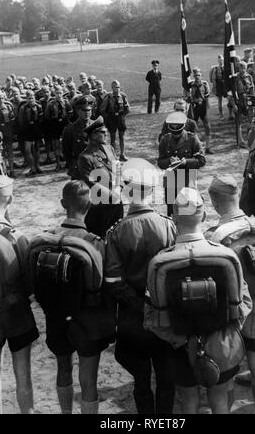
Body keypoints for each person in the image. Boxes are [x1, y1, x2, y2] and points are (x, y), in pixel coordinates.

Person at [145, 187, 251, 414]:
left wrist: (184, 342)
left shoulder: (159, 263)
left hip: (178, 350)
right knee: (220, 400)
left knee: (188, 402)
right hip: (221, 344)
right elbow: (243, 305)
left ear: (173, 218)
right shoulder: (226, 257)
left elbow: (153, 318)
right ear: (203, 216)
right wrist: (223, 334)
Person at [31, 180, 115, 414]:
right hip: (87, 319)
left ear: (62, 204)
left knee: (63, 369)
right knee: (88, 379)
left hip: (57, 315)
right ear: (89, 207)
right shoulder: (94, 243)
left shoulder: (47, 238)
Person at [207, 176, 255, 414]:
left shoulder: (216, 238)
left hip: (231, 316)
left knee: (228, 375)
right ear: (237, 194)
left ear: (214, 202)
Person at [105, 159, 177, 414]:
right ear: (152, 190)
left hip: (132, 319)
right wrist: (155, 305)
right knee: (166, 378)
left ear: (125, 190)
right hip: (165, 315)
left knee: (141, 379)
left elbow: (113, 281)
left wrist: (138, 307)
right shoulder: (168, 225)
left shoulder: (116, 232)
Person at [0, 176, 39, 414]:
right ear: (9, 199)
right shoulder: (17, 236)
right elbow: (30, 284)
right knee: (23, 374)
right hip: (18, 310)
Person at [77, 116, 124, 239]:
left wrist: (119, 188)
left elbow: (117, 168)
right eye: (102, 132)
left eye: (106, 131)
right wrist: (112, 195)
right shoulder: (85, 158)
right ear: (92, 135)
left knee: (117, 235)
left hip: (116, 202)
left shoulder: (109, 148)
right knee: (101, 237)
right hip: (100, 206)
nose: (106, 134)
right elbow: (92, 183)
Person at [158, 112, 206, 216]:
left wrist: (186, 162)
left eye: (178, 133)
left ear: (183, 127)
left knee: (188, 212)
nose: (176, 135)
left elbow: (201, 161)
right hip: (170, 180)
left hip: (187, 179)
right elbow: (160, 162)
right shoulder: (164, 140)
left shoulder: (192, 139)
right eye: (173, 133)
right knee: (171, 211)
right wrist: (168, 161)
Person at [100, 80, 130, 162]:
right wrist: (108, 117)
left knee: (121, 137)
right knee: (113, 138)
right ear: (111, 88)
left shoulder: (123, 96)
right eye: (114, 87)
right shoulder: (109, 97)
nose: (116, 89)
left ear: (120, 87)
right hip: (112, 119)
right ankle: (113, 155)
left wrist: (122, 115)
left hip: (120, 119)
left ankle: (122, 154)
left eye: (117, 87)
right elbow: (102, 109)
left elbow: (127, 108)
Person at [44, 86, 73, 171]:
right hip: (55, 126)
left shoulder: (66, 102)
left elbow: (71, 113)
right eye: (57, 93)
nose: (59, 95)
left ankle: (68, 162)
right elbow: (47, 116)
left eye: (60, 93)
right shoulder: (51, 104)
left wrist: (66, 119)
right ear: (54, 94)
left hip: (64, 125)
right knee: (56, 145)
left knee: (66, 144)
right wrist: (54, 121)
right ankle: (58, 164)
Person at [185, 68, 213, 154]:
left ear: (201, 75)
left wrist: (207, 109)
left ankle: (208, 147)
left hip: (202, 106)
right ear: (193, 75)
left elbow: (207, 97)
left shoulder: (204, 84)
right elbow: (185, 96)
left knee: (207, 126)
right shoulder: (190, 84)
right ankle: (196, 147)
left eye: (199, 75)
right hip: (194, 107)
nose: (197, 77)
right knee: (193, 127)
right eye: (196, 75)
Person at [62, 96, 90, 179]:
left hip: (95, 168)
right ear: (77, 111)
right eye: (84, 110)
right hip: (78, 168)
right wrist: (73, 165)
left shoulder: (96, 126)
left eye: (89, 110)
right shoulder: (70, 130)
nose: (87, 112)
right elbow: (66, 152)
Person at [17, 90, 43, 177]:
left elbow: (41, 119)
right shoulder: (23, 108)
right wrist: (24, 131)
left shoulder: (39, 106)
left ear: (34, 98)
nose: (31, 100)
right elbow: (20, 121)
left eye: (32, 98)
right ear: (26, 99)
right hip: (27, 132)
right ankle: (32, 168)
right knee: (28, 150)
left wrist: (39, 131)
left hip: (37, 131)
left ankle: (37, 166)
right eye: (29, 98)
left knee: (37, 149)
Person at [0, 91, 15, 177]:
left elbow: (13, 120)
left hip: (8, 133)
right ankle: (4, 172)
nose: (0, 100)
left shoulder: (8, 107)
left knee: (10, 152)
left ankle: (12, 170)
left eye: (2, 98)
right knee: (1, 154)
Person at [234, 61, 255, 148]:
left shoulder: (249, 77)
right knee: (239, 121)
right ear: (238, 68)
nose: (242, 70)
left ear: (246, 68)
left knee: (250, 119)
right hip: (239, 100)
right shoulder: (235, 78)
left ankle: (249, 139)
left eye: (244, 68)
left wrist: (253, 100)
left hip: (248, 100)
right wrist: (235, 101)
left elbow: (252, 88)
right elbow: (234, 90)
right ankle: (240, 141)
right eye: (241, 68)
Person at [209, 55, 227, 121]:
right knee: (220, 100)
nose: (221, 62)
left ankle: (230, 114)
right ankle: (221, 115)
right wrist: (214, 87)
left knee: (230, 99)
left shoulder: (226, 67)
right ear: (218, 61)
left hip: (225, 86)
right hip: (219, 86)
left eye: (222, 60)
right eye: (220, 61)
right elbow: (212, 79)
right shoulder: (214, 69)